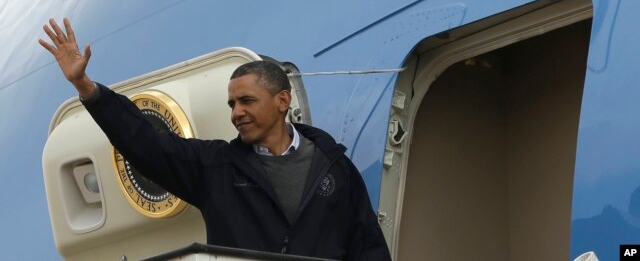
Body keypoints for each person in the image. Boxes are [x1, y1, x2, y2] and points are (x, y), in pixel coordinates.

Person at [39, 18, 392, 260]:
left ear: (283, 101)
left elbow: (369, 249)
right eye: (232, 104)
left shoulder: (335, 168)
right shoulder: (216, 168)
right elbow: (144, 143)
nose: (236, 112)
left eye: (247, 101)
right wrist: (86, 88)